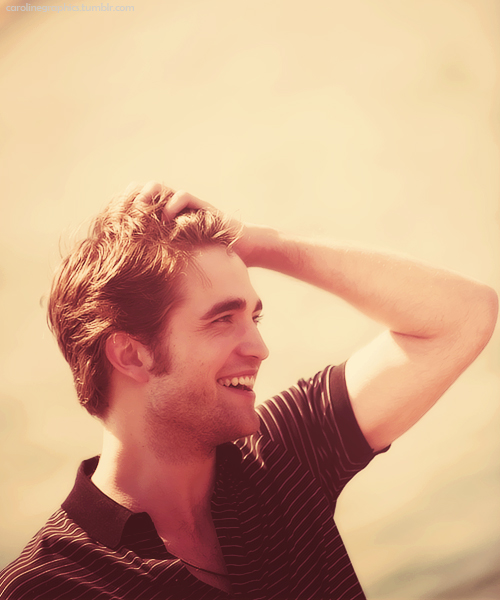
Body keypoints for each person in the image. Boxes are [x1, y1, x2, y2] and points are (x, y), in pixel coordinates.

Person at [0, 182, 497, 600]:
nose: (259, 349)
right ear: (131, 354)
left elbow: (463, 317)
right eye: (222, 320)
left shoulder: (281, 457)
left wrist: (264, 246)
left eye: (254, 318)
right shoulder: (50, 587)